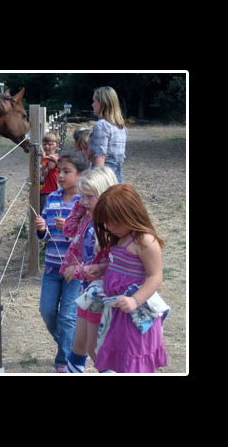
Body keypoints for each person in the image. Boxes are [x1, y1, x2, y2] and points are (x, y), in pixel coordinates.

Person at [90, 184, 167, 373]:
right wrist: (103, 268)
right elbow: (122, 265)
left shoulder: (144, 242)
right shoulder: (120, 238)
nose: (108, 227)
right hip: (118, 314)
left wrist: (135, 300)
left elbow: (155, 276)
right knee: (120, 358)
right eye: (105, 222)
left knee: (133, 360)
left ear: (130, 214)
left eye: (113, 222)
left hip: (134, 316)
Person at [60, 167, 119, 372]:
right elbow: (68, 230)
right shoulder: (89, 216)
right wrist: (81, 204)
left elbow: (108, 266)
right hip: (87, 289)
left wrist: (79, 271)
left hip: (99, 291)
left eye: (88, 197)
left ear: (104, 196)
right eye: (81, 196)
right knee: (80, 343)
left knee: (94, 348)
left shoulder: (109, 226)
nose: (84, 201)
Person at [34, 151, 89, 372]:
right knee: (46, 311)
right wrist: (42, 230)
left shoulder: (84, 203)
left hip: (74, 270)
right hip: (51, 267)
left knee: (67, 316)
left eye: (67, 172)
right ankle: (68, 342)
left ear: (81, 175)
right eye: (60, 171)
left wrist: (68, 228)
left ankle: (63, 359)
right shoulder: (52, 198)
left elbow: (87, 239)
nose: (61, 176)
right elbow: (46, 237)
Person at [89, 86, 128, 183]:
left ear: (102, 103)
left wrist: (96, 181)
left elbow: (101, 156)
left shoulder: (102, 125)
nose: (92, 104)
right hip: (118, 175)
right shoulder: (121, 127)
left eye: (94, 101)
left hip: (105, 176)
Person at [39, 132, 61, 211]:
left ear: (57, 146)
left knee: (46, 211)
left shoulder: (54, 157)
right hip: (41, 190)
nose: (47, 147)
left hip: (49, 191)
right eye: (44, 144)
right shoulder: (43, 158)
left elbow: (51, 166)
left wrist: (44, 156)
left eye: (50, 144)